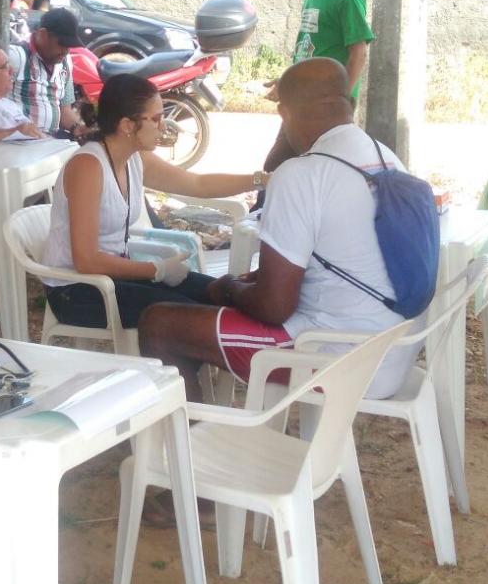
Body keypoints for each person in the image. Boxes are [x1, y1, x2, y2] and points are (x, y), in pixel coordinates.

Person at [139, 58, 416, 405]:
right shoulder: (386, 158)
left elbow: (274, 307)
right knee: (200, 318)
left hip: (336, 357)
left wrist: (231, 288)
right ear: (350, 103)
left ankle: (190, 437)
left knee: (161, 324)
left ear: (284, 113)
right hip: (393, 350)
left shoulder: (301, 174)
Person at [41, 73, 266, 330]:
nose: (163, 126)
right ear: (127, 125)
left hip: (114, 275)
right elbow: (86, 260)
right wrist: (156, 269)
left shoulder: (135, 158)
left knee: (220, 294)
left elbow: (198, 184)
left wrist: (261, 180)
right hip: (76, 290)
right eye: (157, 119)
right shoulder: (88, 166)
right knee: (196, 318)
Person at [256, 0, 375, 201]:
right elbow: (311, 48)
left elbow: (358, 52)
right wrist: (289, 81)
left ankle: (267, 216)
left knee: (282, 168)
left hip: (324, 106)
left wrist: (340, 100)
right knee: (284, 169)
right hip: (302, 100)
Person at [8, 8, 86, 138]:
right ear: (43, 35)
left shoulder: (65, 62)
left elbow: (65, 110)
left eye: (69, 46)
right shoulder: (16, 57)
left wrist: (78, 128)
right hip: (19, 141)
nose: (66, 51)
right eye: (62, 44)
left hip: (50, 140)